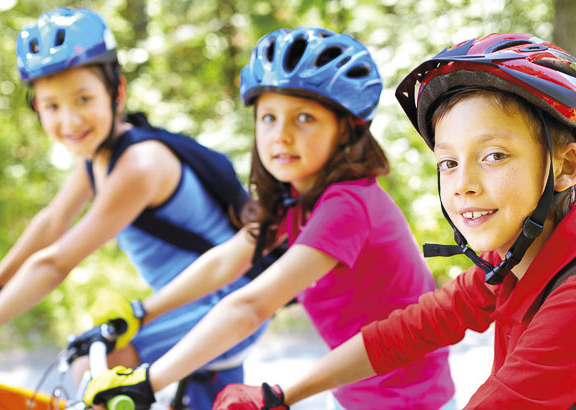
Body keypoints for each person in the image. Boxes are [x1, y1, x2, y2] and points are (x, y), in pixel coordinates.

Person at [82, 27, 456, 410]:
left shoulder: (346, 205)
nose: (282, 135)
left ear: (345, 129)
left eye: (305, 118)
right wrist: (141, 313)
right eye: (269, 118)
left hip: (407, 402)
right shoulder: (296, 198)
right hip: (355, 392)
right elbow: (226, 261)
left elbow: (252, 306)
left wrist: (150, 380)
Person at [209, 33, 576, 409]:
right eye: (448, 163)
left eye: (494, 156)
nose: (463, 185)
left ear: (566, 166)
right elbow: (405, 332)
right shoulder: (509, 266)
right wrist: (279, 395)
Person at [0, 8, 267, 409]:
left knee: (94, 370)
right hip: (194, 305)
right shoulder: (98, 156)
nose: (69, 120)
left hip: (226, 305)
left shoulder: (138, 166)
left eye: (83, 99)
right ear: (36, 107)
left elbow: (56, 262)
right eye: (52, 106)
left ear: (117, 92)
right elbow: (53, 222)